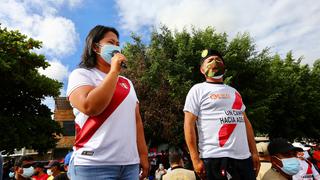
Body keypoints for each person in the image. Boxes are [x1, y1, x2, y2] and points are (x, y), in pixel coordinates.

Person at [66, 25, 149, 180]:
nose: (116, 47)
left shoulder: (127, 83)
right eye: (111, 42)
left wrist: (143, 156)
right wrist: (114, 72)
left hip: (129, 166)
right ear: (95, 47)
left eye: (118, 44)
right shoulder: (82, 74)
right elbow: (90, 106)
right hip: (93, 165)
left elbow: (137, 122)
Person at [184, 49, 260, 180]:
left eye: (218, 60)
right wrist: (195, 159)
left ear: (224, 68)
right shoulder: (197, 90)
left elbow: (246, 123)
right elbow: (188, 124)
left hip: (243, 159)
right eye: (210, 60)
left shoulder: (234, 91)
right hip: (214, 158)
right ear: (202, 70)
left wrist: (254, 153)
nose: (215, 62)